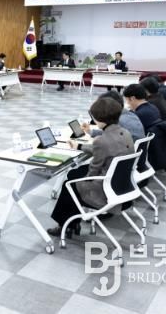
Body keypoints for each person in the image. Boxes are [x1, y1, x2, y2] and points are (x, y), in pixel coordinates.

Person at [48, 97, 134, 238]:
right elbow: (108, 149)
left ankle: (65, 226)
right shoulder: (125, 133)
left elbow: (92, 173)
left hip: (105, 191)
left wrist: (80, 184)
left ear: (100, 119)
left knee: (69, 185)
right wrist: (80, 146)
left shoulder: (102, 140)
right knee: (74, 174)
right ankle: (72, 224)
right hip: (123, 185)